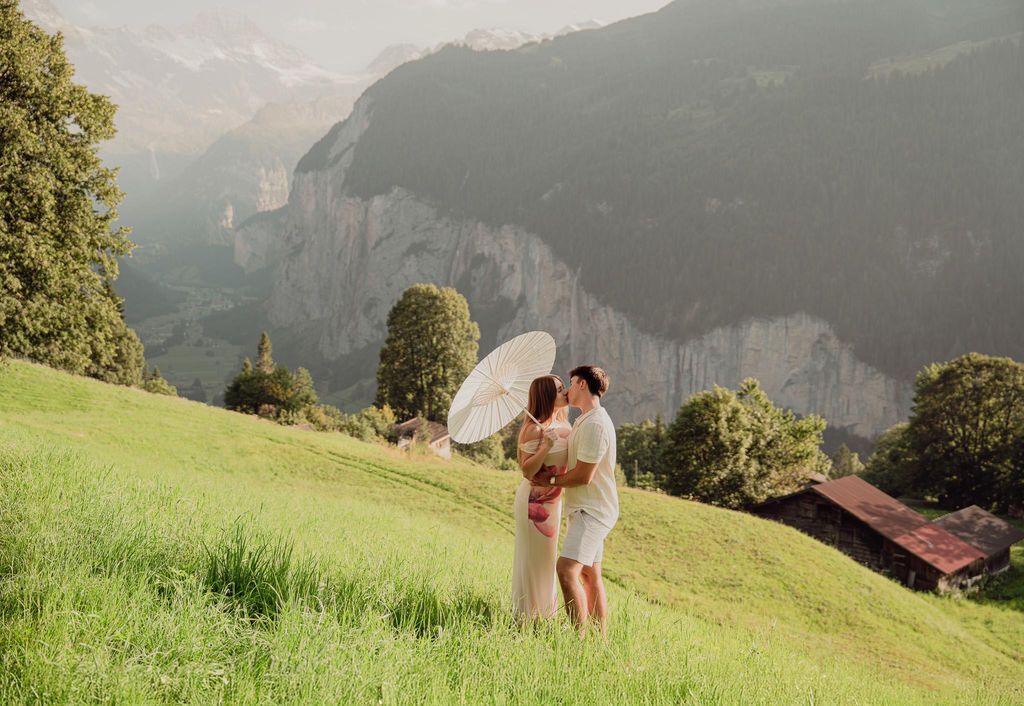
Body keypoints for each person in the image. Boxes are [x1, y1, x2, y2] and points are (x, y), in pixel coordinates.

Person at [543, 365, 617, 636]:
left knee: (566, 569)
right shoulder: (585, 419)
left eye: (571, 384)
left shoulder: (596, 424)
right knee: (589, 574)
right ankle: (600, 640)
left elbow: (584, 476)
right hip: (588, 508)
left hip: (593, 511)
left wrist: (549, 482)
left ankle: (579, 640)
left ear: (583, 385)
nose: (567, 390)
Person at [511, 375, 571, 620]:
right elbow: (526, 470)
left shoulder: (564, 424)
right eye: (558, 390)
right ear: (547, 396)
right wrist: (545, 446)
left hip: (553, 502)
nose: (564, 392)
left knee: (547, 559)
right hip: (534, 504)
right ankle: (528, 617)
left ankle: (544, 614)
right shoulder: (534, 429)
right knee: (534, 560)